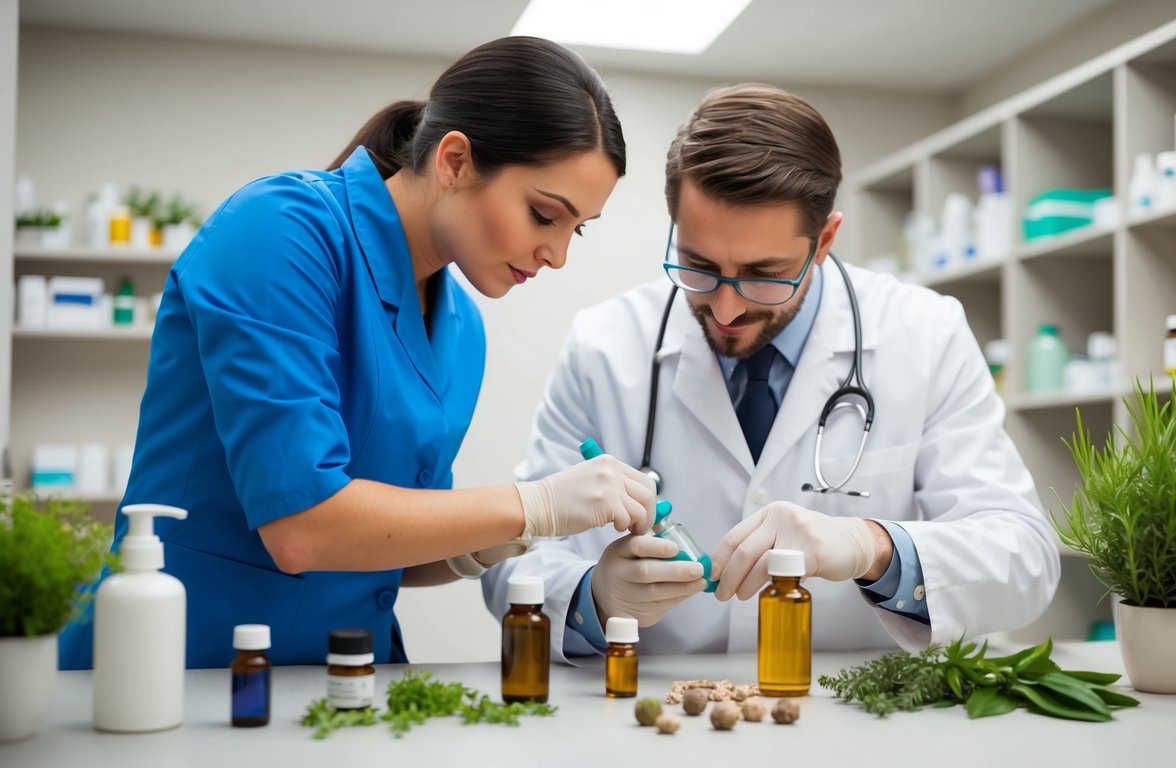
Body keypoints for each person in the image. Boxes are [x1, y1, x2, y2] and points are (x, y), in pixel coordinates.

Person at [60, 36, 657, 670]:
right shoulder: (280, 230)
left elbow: (395, 548)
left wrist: (520, 538)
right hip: (182, 666)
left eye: (577, 229)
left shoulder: (460, 329)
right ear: (454, 159)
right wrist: (531, 502)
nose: (557, 255)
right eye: (544, 215)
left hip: (343, 677)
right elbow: (303, 527)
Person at [483, 84, 1060, 661]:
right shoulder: (604, 345)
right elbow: (511, 559)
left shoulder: (926, 334)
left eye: (765, 273)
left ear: (824, 241)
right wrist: (595, 598)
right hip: (662, 719)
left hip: (860, 723)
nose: (727, 309)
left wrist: (873, 547)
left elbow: (1025, 559)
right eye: (699, 266)